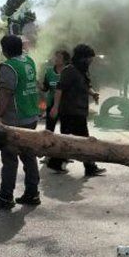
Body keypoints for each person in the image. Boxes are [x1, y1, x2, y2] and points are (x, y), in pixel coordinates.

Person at [0, 36, 42, 209]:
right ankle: (32, 193)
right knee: (28, 156)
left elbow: (5, 94)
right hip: (31, 116)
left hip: (16, 119)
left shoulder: (8, 67)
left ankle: (6, 196)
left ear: (4, 49)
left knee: (9, 158)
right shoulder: (28, 61)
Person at [47, 44, 106, 177]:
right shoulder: (70, 71)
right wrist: (55, 107)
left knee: (67, 139)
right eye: (90, 59)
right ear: (82, 58)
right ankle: (90, 167)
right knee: (83, 140)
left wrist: (93, 93)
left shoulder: (82, 70)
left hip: (78, 111)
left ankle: (56, 162)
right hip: (70, 112)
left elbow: (86, 86)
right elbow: (59, 89)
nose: (91, 61)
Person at [41, 49, 70, 132]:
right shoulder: (49, 71)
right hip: (51, 104)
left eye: (59, 57)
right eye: (55, 57)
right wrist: (39, 86)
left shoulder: (69, 72)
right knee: (49, 129)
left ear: (65, 60)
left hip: (65, 105)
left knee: (65, 130)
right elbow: (46, 88)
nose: (56, 59)